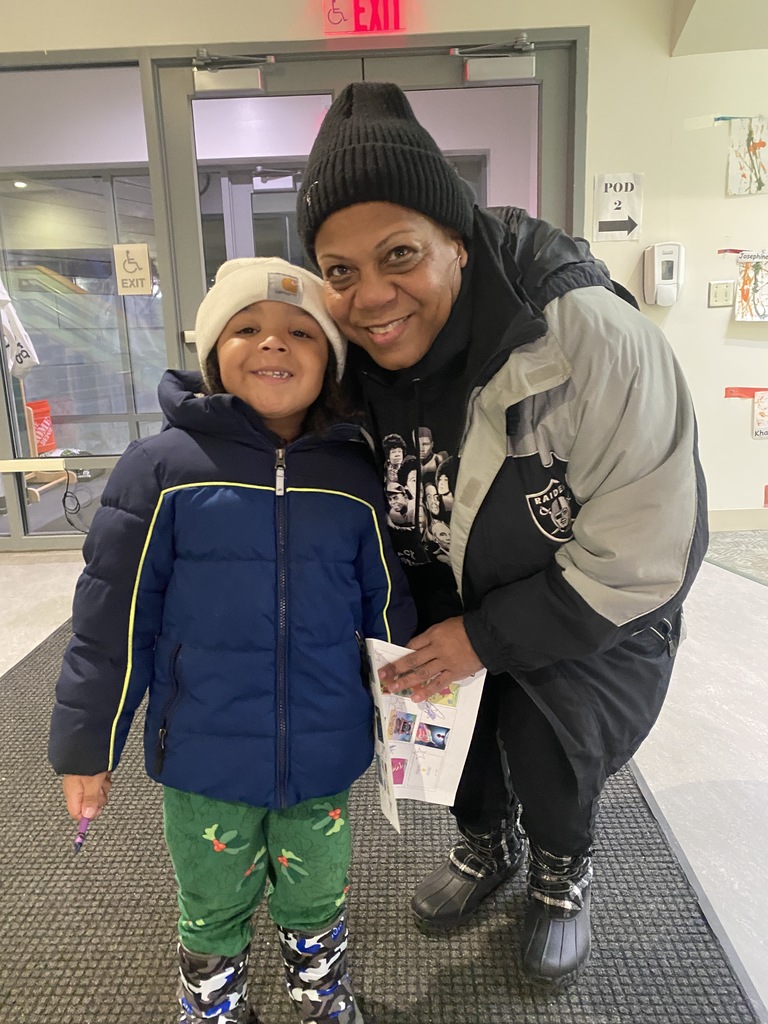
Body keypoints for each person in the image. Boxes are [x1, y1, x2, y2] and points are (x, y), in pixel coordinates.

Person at [295, 82, 707, 989]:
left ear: (459, 239)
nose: (371, 297)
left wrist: (486, 638)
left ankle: (561, 869)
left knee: (547, 739)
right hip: (445, 584)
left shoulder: (588, 337)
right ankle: (486, 844)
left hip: (588, 605)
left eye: (400, 254)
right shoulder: (343, 351)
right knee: (454, 732)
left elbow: (645, 554)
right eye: (340, 270)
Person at [48, 256, 416, 1024]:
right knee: (212, 898)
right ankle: (213, 1005)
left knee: (318, 889)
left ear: (331, 361)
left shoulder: (352, 477)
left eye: (299, 333)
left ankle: (321, 998)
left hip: (323, 748)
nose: (273, 345)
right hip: (202, 754)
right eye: (247, 328)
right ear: (214, 350)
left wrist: (406, 717)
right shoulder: (161, 470)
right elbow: (111, 620)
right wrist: (88, 743)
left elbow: (388, 606)